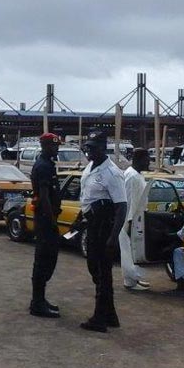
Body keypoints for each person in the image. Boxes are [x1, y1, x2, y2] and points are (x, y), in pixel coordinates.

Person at [79, 131, 128, 333]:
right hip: (92, 222)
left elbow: (121, 207)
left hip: (104, 225)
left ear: (103, 148)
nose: (89, 151)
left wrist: (113, 237)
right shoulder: (90, 167)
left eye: (93, 147)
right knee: (95, 269)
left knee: (102, 271)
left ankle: (100, 318)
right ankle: (110, 314)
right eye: (87, 147)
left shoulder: (112, 173)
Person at [29, 132, 63, 318]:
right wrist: (51, 222)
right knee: (44, 261)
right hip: (44, 220)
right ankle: (37, 303)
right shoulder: (43, 167)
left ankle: (40, 300)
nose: (56, 149)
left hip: (46, 219)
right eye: (54, 146)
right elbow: (44, 197)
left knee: (48, 260)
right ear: (45, 146)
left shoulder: (48, 165)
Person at [120, 148, 151, 291]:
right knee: (128, 252)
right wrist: (130, 221)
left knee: (134, 252)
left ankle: (134, 278)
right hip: (130, 219)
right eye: (147, 159)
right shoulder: (131, 176)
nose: (149, 162)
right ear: (139, 159)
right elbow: (129, 200)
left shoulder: (137, 175)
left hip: (137, 218)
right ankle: (130, 282)